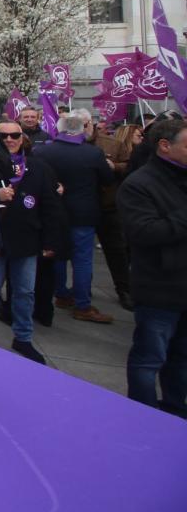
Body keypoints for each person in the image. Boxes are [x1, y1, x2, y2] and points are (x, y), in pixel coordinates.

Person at [0, 118, 64, 363]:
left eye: (14, 135)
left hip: (27, 239)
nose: (9, 140)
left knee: (25, 292)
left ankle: (23, 338)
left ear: (23, 138)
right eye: (3, 137)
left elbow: (50, 206)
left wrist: (50, 241)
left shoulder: (39, 167)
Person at [118, 118, 187, 417]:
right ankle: (143, 416)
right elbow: (143, 233)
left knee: (181, 361)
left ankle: (174, 411)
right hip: (159, 288)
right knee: (149, 359)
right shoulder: (139, 184)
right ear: (164, 146)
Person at [33, 109, 114, 323]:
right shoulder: (92, 153)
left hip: (54, 211)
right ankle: (82, 303)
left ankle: (60, 293)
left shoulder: (43, 152)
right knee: (82, 259)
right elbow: (107, 180)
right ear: (83, 129)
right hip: (83, 212)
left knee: (57, 255)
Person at [91, 119, 134, 310]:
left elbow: (129, 166)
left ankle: (124, 289)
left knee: (116, 250)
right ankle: (81, 290)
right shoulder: (64, 145)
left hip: (108, 205)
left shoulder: (112, 144)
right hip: (81, 207)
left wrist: (115, 166)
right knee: (80, 254)